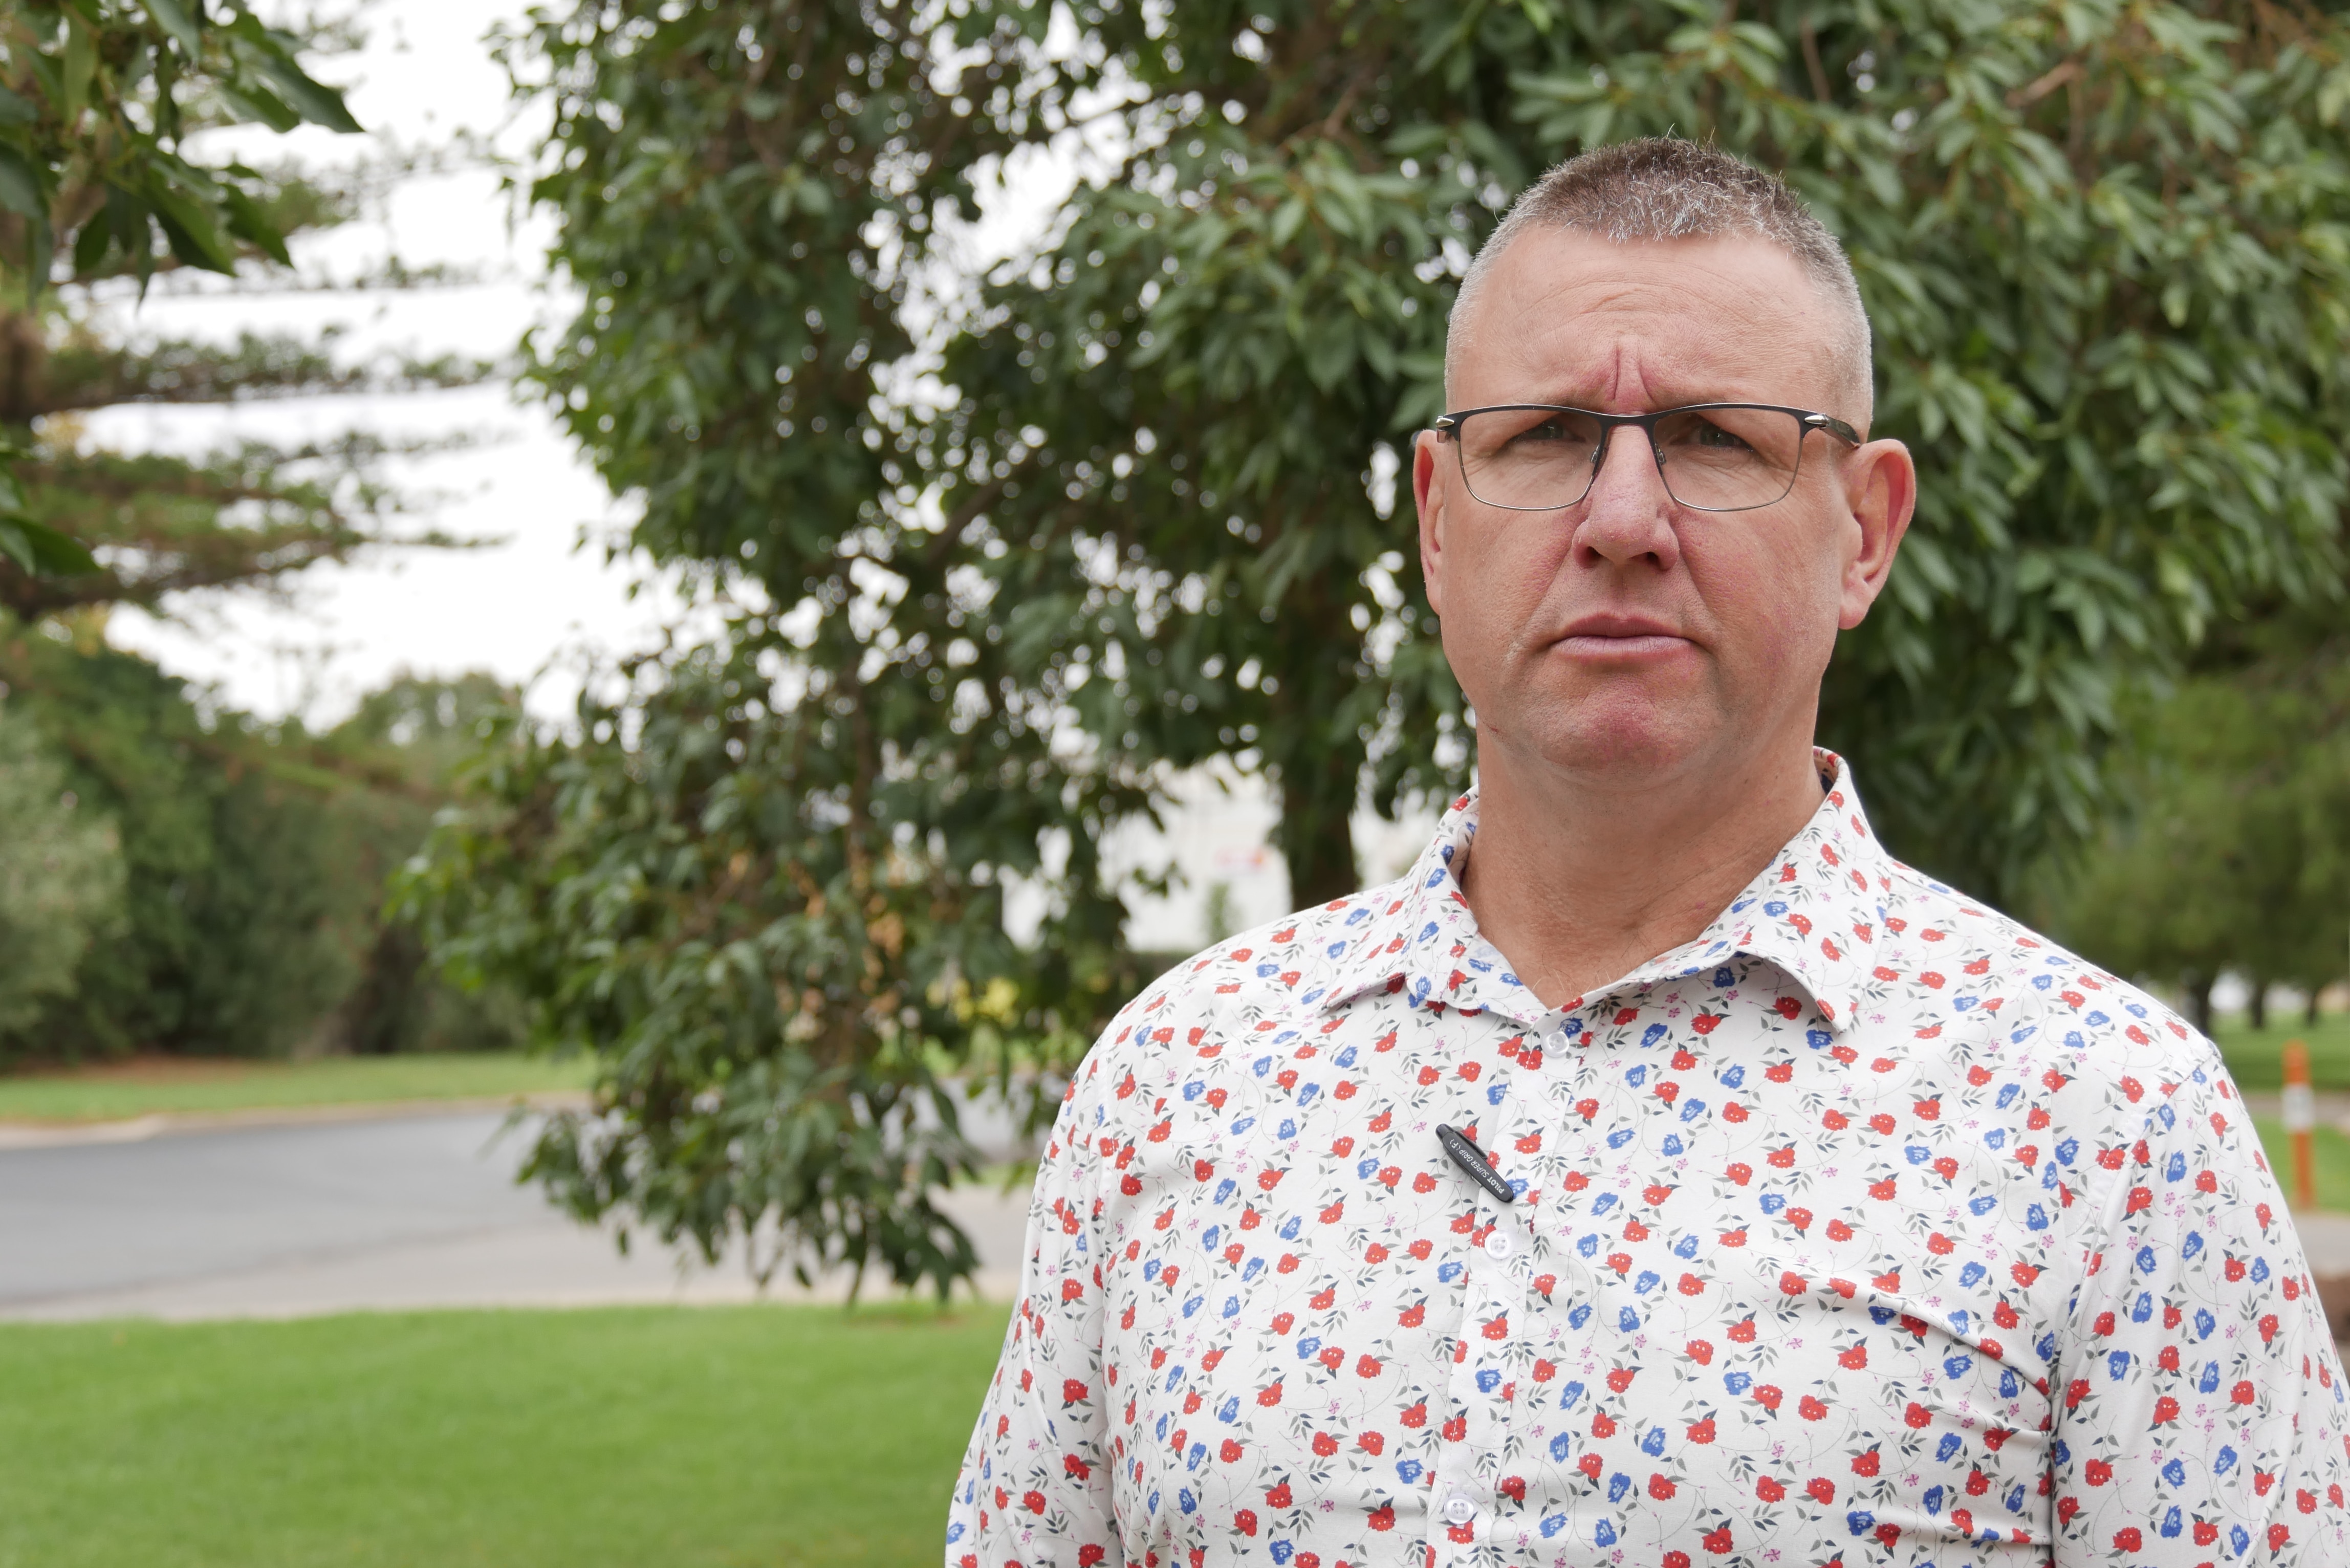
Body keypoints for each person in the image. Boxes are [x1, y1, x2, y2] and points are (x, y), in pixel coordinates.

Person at [946, 137, 2350, 1567]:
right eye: (1545, 436)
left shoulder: (2107, 1127)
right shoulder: (1176, 1084)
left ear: (1866, 531)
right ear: (1438, 521)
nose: (1622, 521)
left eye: (1716, 438)